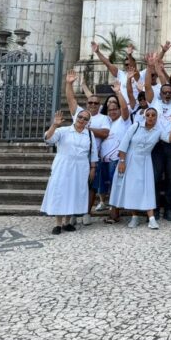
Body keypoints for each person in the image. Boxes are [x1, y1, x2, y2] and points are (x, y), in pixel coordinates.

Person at [109, 108, 171, 229]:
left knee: (147, 189)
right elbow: (124, 143)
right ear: (144, 116)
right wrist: (121, 161)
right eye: (148, 115)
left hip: (145, 161)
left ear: (157, 117)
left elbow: (170, 139)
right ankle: (134, 217)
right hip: (130, 160)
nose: (151, 117)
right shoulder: (135, 126)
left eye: (153, 115)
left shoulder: (158, 131)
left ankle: (151, 219)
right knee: (132, 189)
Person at [65, 70, 110, 226]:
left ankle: (87, 212)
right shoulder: (80, 114)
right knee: (75, 184)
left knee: (91, 186)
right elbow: (70, 100)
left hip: (93, 156)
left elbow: (105, 133)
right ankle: (72, 212)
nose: (92, 105)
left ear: (99, 105)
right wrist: (69, 83)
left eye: (95, 103)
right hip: (75, 155)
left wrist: (87, 129)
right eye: (90, 102)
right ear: (86, 104)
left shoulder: (103, 118)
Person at [41, 110, 97, 234]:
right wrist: (55, 125)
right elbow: (48, 138)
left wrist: (93, 168)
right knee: (60, 192)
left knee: (74, 192)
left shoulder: (89, 134)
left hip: (81, 167)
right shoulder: (63, 131)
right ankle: (58, 224)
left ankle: (67, 222)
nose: (82, 120)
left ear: (88, 122)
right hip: (63, 165)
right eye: (80, 117)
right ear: (76, 117)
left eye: (85, 119)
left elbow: (93, 152)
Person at [145, 55, 171, 221]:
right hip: (156, 145)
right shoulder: (155, 102)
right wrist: (150, 67)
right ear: (160, 93)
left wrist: (159, 69)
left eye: (169, 92)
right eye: (164, 92)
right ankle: (155, 209)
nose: (167, 94)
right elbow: (146, 85)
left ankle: (169, 209)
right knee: (156, 177)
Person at [97, 82, 130, 224]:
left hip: (116, 160)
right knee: (109, 187)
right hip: (104, 160)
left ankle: (114, 214)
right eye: (110, 110)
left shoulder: (124, 120)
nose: (112, 112)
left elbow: (124, 107)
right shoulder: (107, 122)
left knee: (115, 187)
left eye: (115, 109)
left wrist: (118, 92)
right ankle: (113, 212)